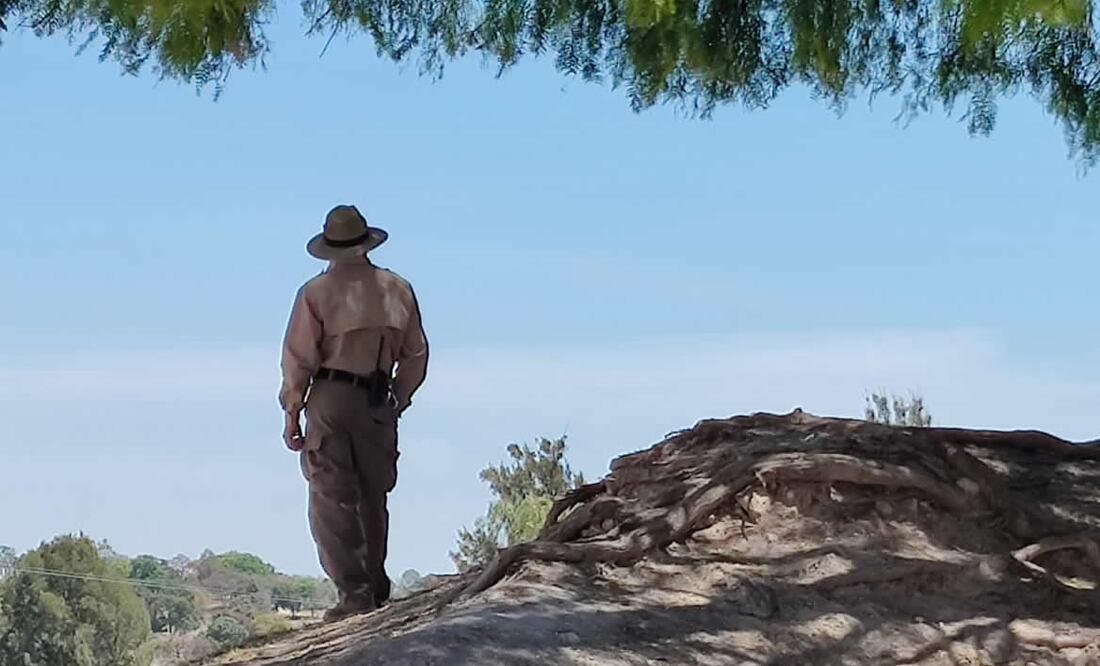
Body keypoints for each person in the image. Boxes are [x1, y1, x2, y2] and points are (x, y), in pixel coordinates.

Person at [279, 204, 428, 621]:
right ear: (366, 243)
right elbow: (416, 355)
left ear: (329, 247)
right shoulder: (398, 289)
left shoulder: (315, 293)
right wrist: (399, 396)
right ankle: (375, 584)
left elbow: (298, 360)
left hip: (329, 397)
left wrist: (293, 411)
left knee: (331, 497)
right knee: (372, 495)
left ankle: (354, 592)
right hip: (378, 397)